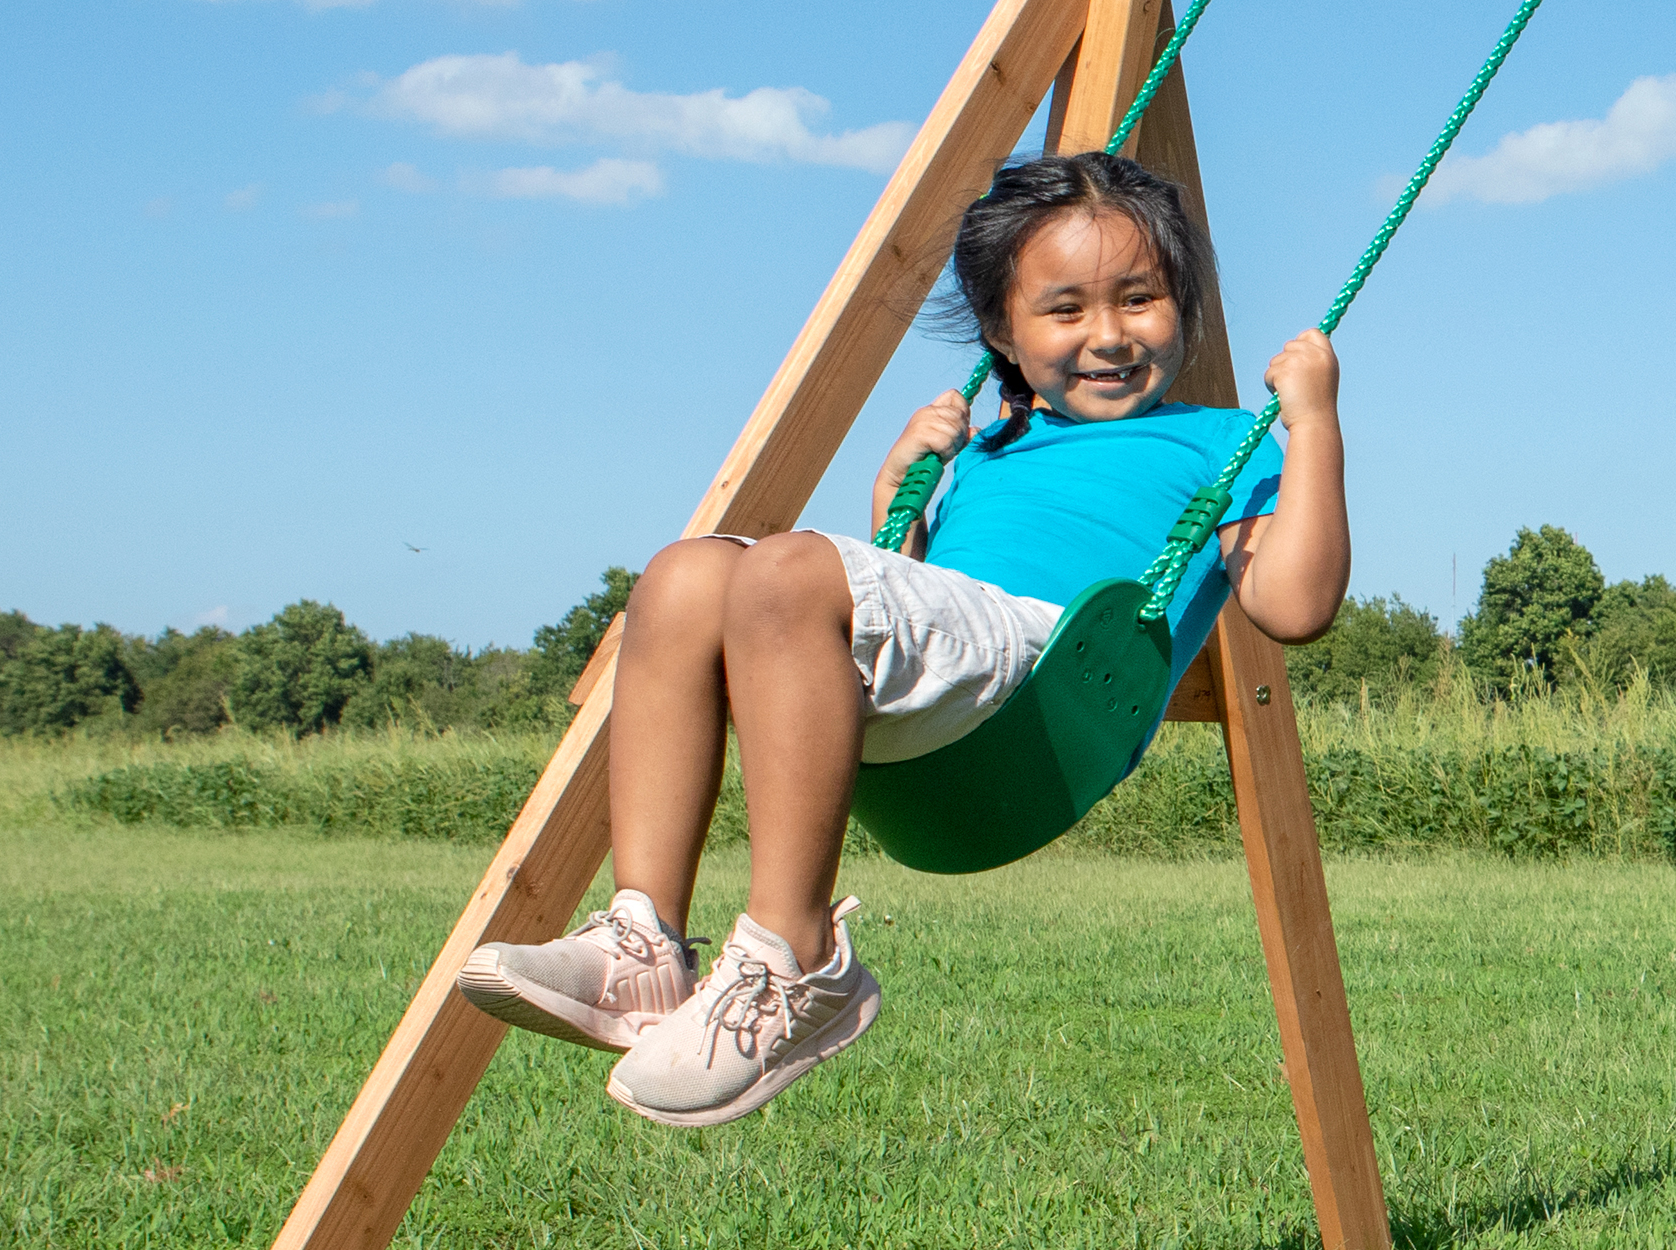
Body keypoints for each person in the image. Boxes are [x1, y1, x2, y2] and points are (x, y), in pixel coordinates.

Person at [458, 150, 1349, 1129]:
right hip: (950, 677)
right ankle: (644, 948)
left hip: (1057, 678)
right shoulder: (989, 447)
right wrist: (898, 504)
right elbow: (900, 608)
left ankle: (795, 959)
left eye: (1140, 299)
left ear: (1185, 304)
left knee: (786, 569)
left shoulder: (1220, 441)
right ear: (1002, 333)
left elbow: (1294, 606)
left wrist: (1312, 429)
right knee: (684, 577)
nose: (1108, 335)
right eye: (1065, 310)